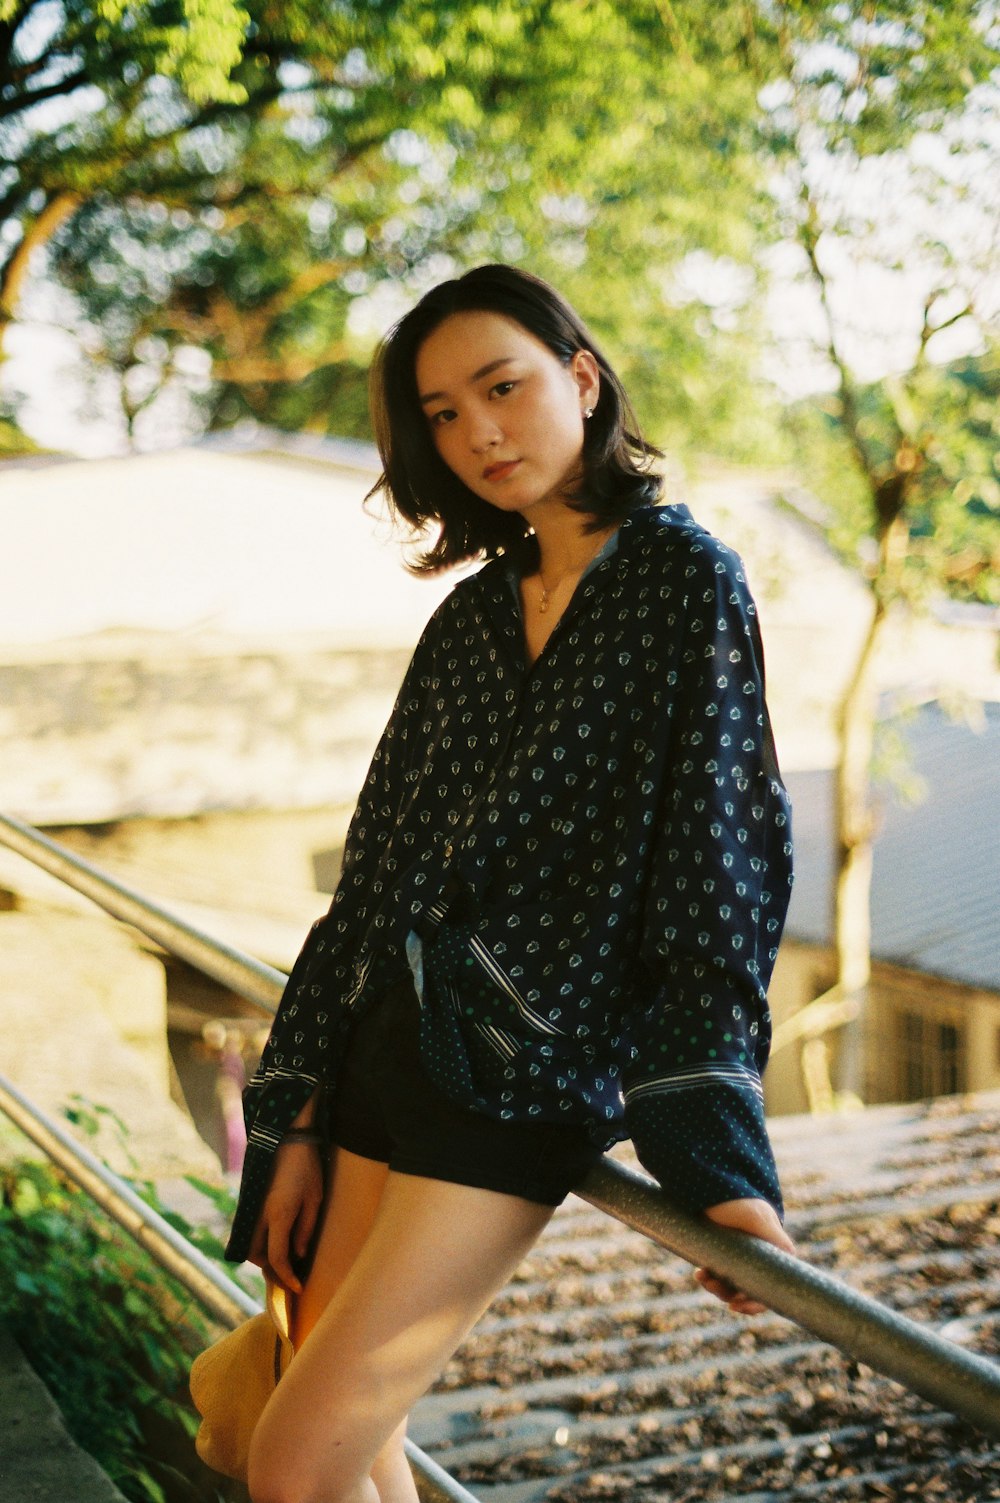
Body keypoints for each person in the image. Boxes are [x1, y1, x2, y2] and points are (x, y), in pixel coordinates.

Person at [225, 264, 796, 1503]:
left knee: (295, 1460)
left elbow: (716, 870)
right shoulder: (472, 620)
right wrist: (302, 1114)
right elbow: (373, 881)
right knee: (349, 1446)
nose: (476, 431)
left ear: (580, 381)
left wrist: (720, 1165)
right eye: (439, 413)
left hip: (520, 1077)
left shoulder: (680, 581)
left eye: (502, 387)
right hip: (380, 1052)